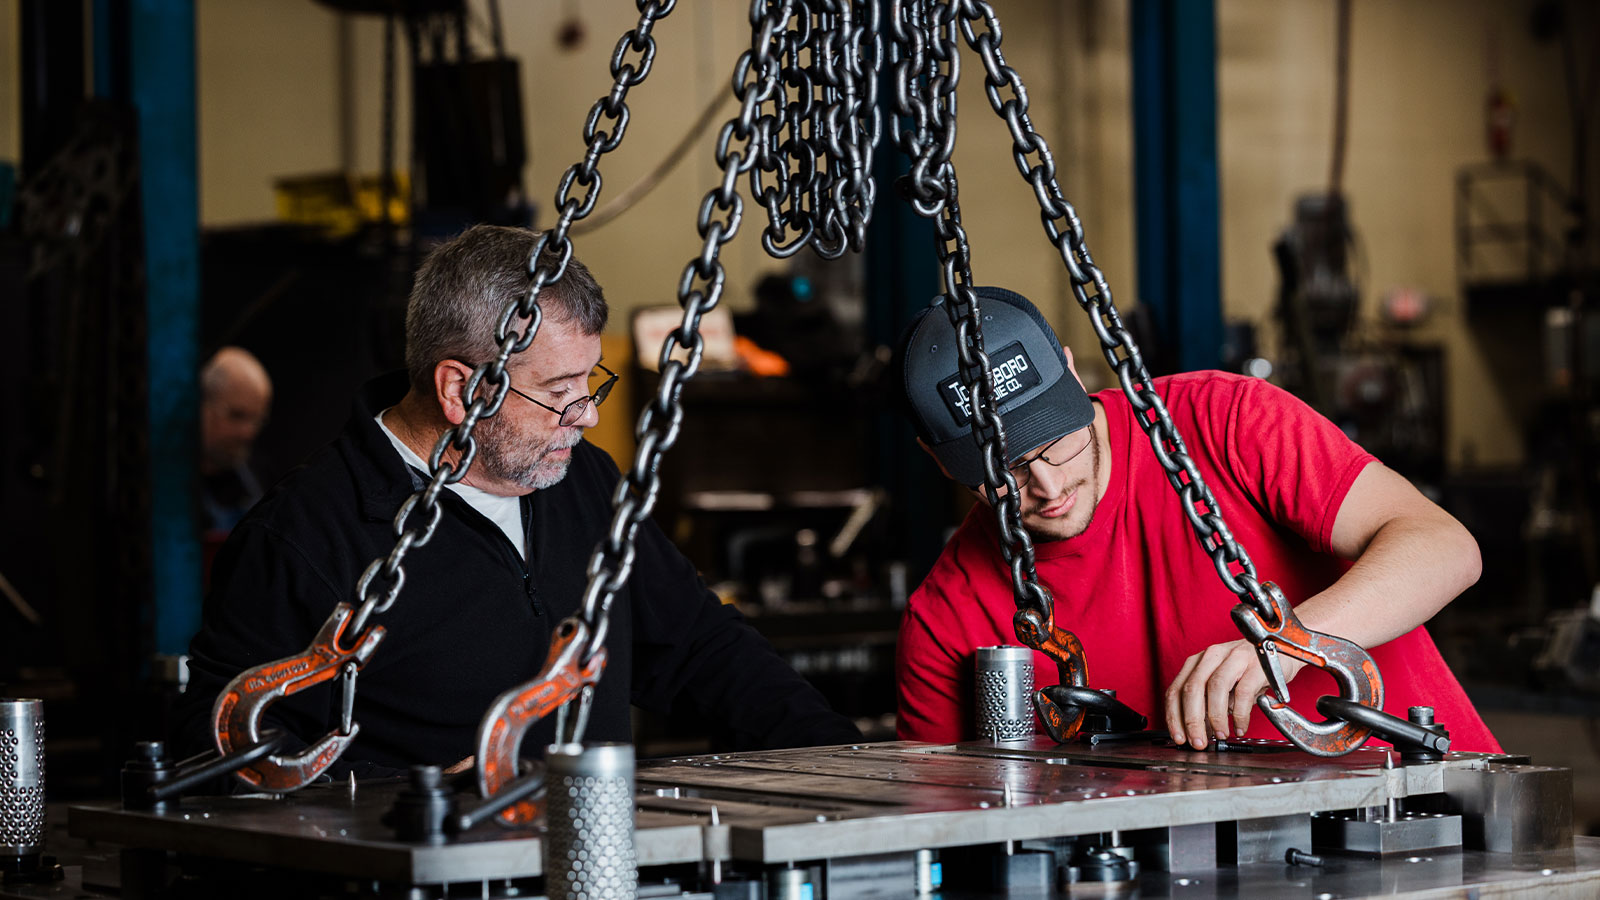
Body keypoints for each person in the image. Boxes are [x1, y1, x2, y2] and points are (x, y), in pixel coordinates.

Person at [178, 226, 859, 780]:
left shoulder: (586, 484)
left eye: (592, 382)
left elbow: (698, 645)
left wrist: (845, 761)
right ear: (459, 390)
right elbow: (229, 758)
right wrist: (405, 800)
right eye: (560, 391)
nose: (588, 416)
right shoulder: (304, 537)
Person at [891, 286, 1499, 752]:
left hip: (1440, 832)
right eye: (1005, 473)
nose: (1048, 487)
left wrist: (1287, 644)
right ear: (936, 461)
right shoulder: (946, 621)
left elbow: (1446, 548)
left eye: (1055, 441)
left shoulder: (1225, 421)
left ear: (1073, 374)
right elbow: (952, 840)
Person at [199, 346, 273, 532]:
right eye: (236, 415)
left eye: (256, 420)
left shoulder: (260, 483)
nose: (248, 433)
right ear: (202, 405)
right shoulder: (166, 485)